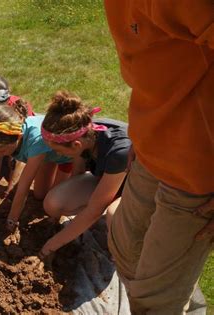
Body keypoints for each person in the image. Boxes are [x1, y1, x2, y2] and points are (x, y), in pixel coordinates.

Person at [103, 1, 214, 313]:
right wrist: (143, 128)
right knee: (126, 253)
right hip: (152, 146)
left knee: (155, 302)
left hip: (196, 168)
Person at [37, 91, 131, 258]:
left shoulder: (119, 151)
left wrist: (49, 248)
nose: (57, 155)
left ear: (76, 144)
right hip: (110, 181)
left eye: (58, 151)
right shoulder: (84, 131)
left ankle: (125, 255)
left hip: (142, 189)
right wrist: (54, 223)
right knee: (54, 204)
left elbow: (95, 209)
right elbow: (78, 173)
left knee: (113, 216)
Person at [0, 104, 72, 231]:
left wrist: (11, 221)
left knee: (53, 205)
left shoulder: (36, 139)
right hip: (47, 155)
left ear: (18, 137)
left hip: (69, 157)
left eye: (2, 151)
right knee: (40, 195)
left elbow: (23, 187)